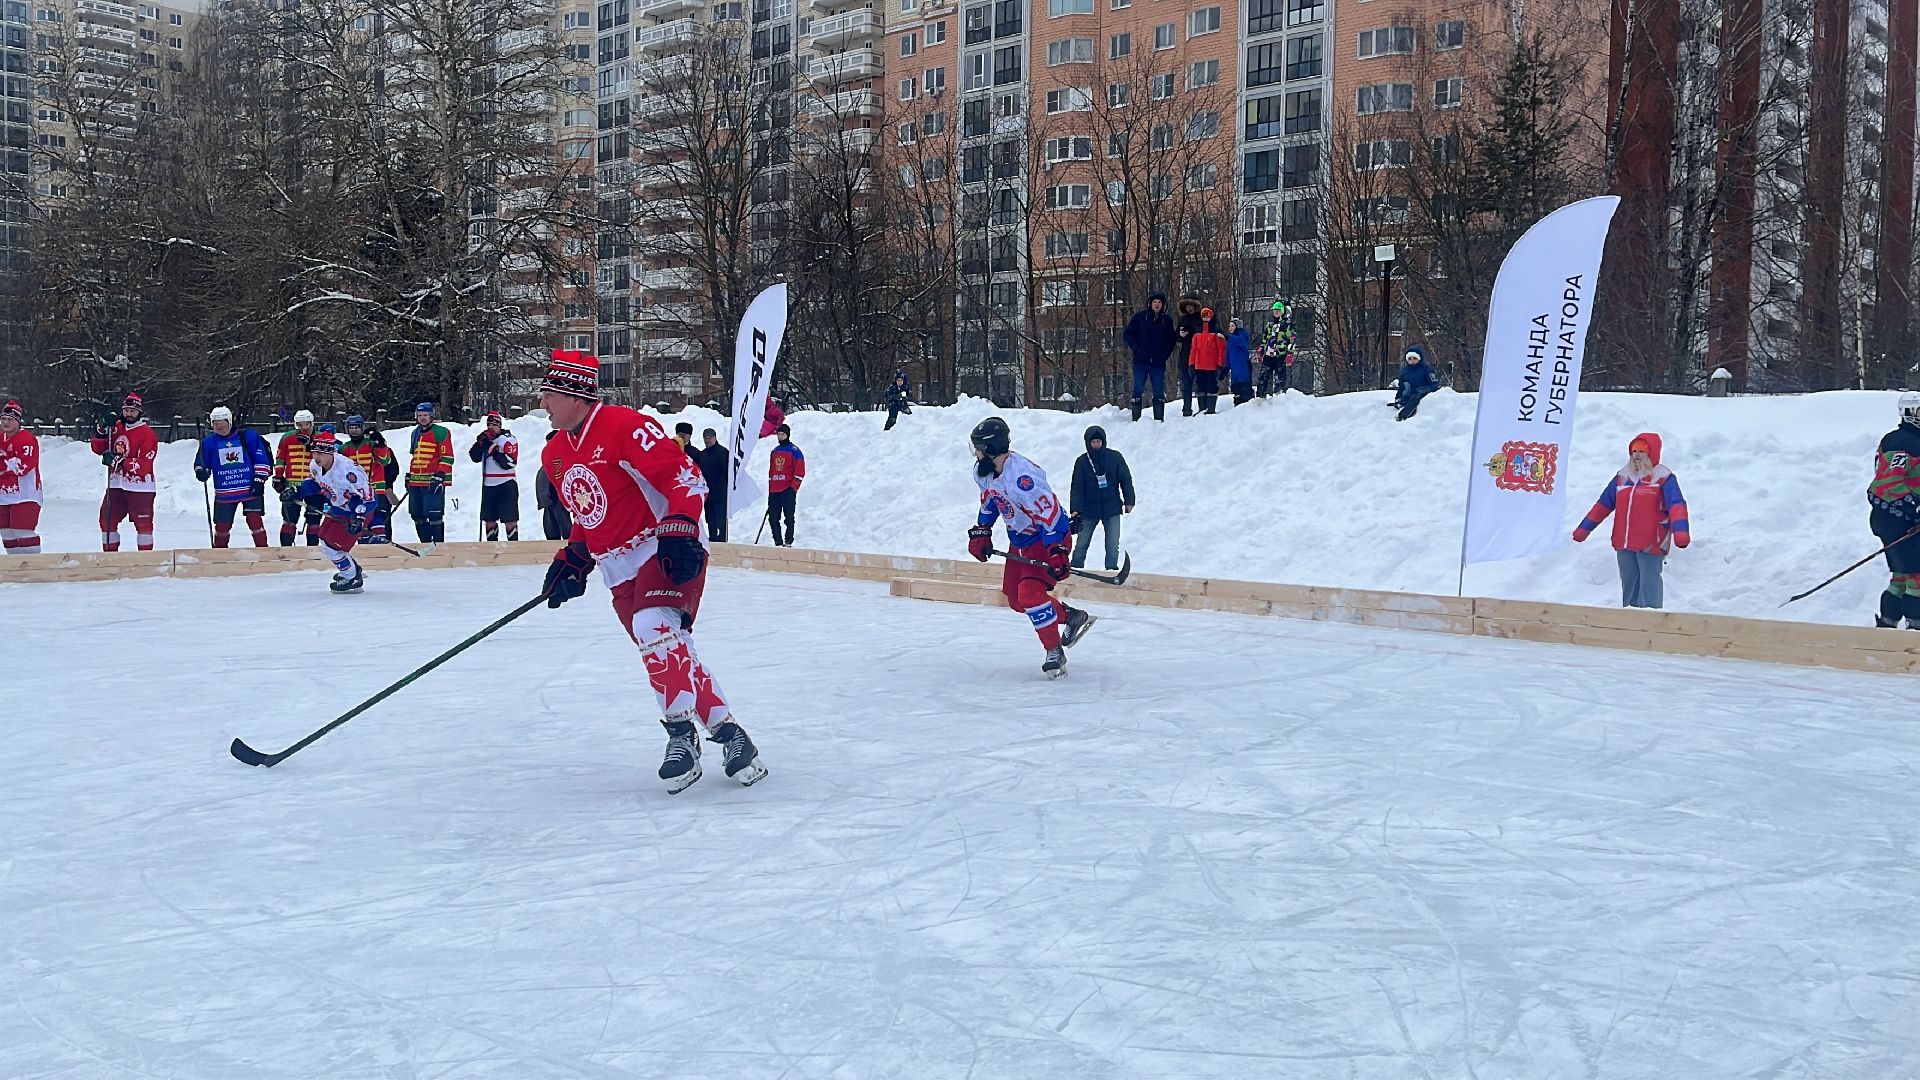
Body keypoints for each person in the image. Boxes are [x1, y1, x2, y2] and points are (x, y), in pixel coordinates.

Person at [536, 349, 767, 793]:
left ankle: (681, 735)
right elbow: (588, 514)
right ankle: (731, 736)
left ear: (575, 396)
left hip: (663, 548)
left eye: (549, 394)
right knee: (667, 649)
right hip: (617, 568)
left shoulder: (627, 427)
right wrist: (575, 559)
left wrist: (680, 527)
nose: (542, 403)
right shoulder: (556, 454)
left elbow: (684, 477)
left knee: (652, 627)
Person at [966, 416, 1096, 678]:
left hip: (1047, 538)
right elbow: (991, 501)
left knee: (1030, 594)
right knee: (1016, 600)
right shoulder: (985, 472)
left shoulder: (1023, 478)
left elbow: (1051, 516)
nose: (976, 454)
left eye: (979, 448)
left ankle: (1054, 651)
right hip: (1021, 540)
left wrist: (1057, 550)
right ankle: (1071, 616)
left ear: (991, 449)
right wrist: (983, 530)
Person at [1572, 432, 1690, 609]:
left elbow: (1676, 506)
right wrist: (1584, 529)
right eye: (1634, 451)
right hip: (1624, 542)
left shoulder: (1663, 478)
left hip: (1651, 541)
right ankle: (1629, 618)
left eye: (1642, 451)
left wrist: (1681, 532)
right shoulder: (1623, 477)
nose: (1637, 455)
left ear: (1652, 453)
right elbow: (1603, 504)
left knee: (1649, 582)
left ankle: (1651, 619)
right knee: (1629, 582)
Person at [296, 429, 378, 593]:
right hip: (338, 508)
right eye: (314, 452)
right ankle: (351, 569)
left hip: (356, 511)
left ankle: (351, 577)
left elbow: (367, 498)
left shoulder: (347, 471)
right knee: (324, 538)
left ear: (330, 452)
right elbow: (315, 483)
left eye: (320, 453)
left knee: (333, 545)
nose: (316, 457)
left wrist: (359, 518)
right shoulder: (316, 465)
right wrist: (297, 491)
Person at [1867, 393, 1920, 627]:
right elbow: (1888, 484)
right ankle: (1916, 626)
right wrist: (1914, 509)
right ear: (1908, 413)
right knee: (1917, 576)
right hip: (1900, 519)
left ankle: (1887, 624)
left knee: (1901, 576)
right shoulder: (1905, 443)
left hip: (1891, 518)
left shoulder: (1904, 439)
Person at [192, 405, 274, 547]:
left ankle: (263, 551)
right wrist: (201, 471)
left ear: (229, 421)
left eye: (222, 423)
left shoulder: (248, 436)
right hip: (225, 493)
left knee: (255, 522)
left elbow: (262, 459)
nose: (219, 427)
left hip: (250, 489)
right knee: (222, 527)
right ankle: (220, 553)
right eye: (216, 424)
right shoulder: (209, 442)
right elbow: (200, 463)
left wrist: (259, 479)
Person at [91, 392, 159, 552]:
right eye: (126, 410)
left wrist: (118, 461)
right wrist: (102, 430)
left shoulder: (147, 433)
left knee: (143, 524)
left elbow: (144, 464)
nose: (129, 414)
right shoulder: (115, 428)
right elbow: (97, 448)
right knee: (107, 520)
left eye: (132, 411)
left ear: (139, 412)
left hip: (140, 486)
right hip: (116, 484)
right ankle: (110, 556)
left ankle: (145, 558)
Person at [1068, 425, 1134, 571]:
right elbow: (1077, 486)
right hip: (1089, 510)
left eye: (1099, 441)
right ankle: (1075, 569)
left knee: (1112, 545)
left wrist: (1129, 500)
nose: (1096, 444)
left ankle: (1111, 570)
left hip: (1112, 508)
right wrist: (1075, 509)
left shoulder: (1115, 457)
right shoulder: (1082, 461)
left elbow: (1125, 479)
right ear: (1088, 443)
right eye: (1093, 442)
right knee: (1082, 543)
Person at [341, 415, 400, 544]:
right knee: (361, 518)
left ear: (362, 428)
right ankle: (364, 546)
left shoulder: (372, 444)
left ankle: (384, 543)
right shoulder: (345, 448)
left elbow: (385, 461)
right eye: (351, 428)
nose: (354, 431)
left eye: (357, 428)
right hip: (357, 491)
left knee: (381, 517)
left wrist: (381, 445)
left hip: (376, 488)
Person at [1123, 292, 1177, 422]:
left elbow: (1171, 341)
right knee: (1138, 389)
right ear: (1150, 304)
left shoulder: (1167, 320)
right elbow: (1128, 334)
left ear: (1163, 305)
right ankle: (1136, 420)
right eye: (1154, 302)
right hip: (1140, 361)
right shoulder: (1140, 317)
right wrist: (1136, 348)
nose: (1156, 304)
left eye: (1159, 302)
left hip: (1158, 363)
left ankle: (1159, 420)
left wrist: (1164, 356)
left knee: (1158, 391)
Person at [406, 401, 454, 544]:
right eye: (420, 415)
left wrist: (440, 474)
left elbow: (447, 457)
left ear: (431, 416)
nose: (422, 418)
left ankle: (438, 546)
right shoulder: (415, 433)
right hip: (416, 481)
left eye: (425, 415)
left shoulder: (441, 432)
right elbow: (415, 455)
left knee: (434, 514)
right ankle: (425, 545)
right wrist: (410, 475)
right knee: (416, 514)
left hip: (432, 481)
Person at [469, 411, 520, 541]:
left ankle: (513, 547)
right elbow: (474, 457)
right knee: (489, 520)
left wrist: (494, 451)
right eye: (489, 425)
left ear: (499, 425)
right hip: (489, 485)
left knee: (510, 520)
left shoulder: (508, 439)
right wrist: (479, 444)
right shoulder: (487, 438)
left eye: (494, 424)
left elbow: (510, 463)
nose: (491, 427)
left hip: (506, 483)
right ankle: (491, 546)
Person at [0, 399, 42, 554]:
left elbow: (22, 465)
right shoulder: (0, 438)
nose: (6, 422)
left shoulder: (26, 439)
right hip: (4, 494)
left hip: (26, 494)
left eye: (10, 419)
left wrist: (3, 465)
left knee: (22, 530)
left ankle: (32, 564)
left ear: (18, 421)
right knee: (6, 532)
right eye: (3, 418)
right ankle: (16, 564)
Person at [273, 409, 321, 545]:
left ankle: (312, 550)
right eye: (300, 425)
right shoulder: (287, 438)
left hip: (314, 485)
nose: (303, 428)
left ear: (312, 423)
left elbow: (327, 458)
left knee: (314, 519)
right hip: (292, 483)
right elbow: (280, 459)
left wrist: (310, 445)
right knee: (289, 519)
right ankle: (286, 550)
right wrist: (278, 477)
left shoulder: (320, 437)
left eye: (306, 424)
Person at [766, 423, 804, 546]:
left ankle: (788, 541)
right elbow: (772, 471)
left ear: (787, 435)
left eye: (783, 434)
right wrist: (771, 488)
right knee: (773, 518)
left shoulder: (794, 451)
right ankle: (778, 541)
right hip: (774, 490)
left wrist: (793, 488)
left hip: (788, 489)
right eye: (779, 434)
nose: (780, 436)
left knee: (789, 517)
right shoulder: (775, 451)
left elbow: (800, 471)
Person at [534, 428, 574, 541]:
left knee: (565, 527)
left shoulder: (564, 457)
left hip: (559, 498)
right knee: (550, 529)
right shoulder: (548, 458)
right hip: (549, 499)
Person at [694, 427, 730, 542]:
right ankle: (712, 539)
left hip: (720, 493)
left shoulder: (723, 453)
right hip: (708, 493)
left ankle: (722, 540)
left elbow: (727, 472)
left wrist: (722, 484)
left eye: (709, 438)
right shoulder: (703, 454)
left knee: (721, 519)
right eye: (705, 438)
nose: (707, 440)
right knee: (710, 519)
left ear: (715, 438)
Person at [1189, 307, 1227, 414]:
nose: (1205, 318)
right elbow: (1193, 349)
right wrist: (1191, 363)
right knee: (1200, 386)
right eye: (1203, 316)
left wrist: (1220, 364)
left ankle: (1210, 409)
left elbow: (1221, 349)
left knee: (1211, 386)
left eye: (1207, 316)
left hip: (1212, 365)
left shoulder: (1216, 332)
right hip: (1199, 365)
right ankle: (1202, 409)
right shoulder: (1197, 332)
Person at [1389, 344, 1441, 421]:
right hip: (1409, 393)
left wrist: (1428, 389)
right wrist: (1398, 398)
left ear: (1420, 358)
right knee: (1404, 400)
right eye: (1410, 358)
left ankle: (1402, 416)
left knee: (1415, 399)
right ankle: (1402, 406)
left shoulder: (1426, 369)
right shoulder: (1405, 372)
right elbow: (1402, 387)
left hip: (1422, 393)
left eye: (1415, 358)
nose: (1412, 360)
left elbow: (1433, 383)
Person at [1174, 295, 1205, 416]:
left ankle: (1202, 407)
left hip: (1198, 353)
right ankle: (1186, 408)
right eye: (1187, 306)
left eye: (1191, 306)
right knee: (1186, 383)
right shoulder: (1182, 319)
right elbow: (1176, 336)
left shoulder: (1201, 318)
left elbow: (1203, 332)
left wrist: (1191, 331)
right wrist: (1180, 335)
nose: (1189, 308)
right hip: (1185, 353)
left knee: (1199, 382)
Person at [1258, 300, 1294, 397]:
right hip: (1269, 353)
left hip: (1280, 354)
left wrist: (1290, 353)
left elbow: (1292, 339)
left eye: (1278, 310)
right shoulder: (1270, 325)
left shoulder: (1287, 324)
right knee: (1263, 375)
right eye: (1275, 310)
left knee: (1280, 377)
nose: (1276, 312)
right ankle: (1260, 396)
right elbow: (1265, 338)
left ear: (1282, 311)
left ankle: (1279, 397)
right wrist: (1261, 349)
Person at [1225, 317, 1254, 405]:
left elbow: (1241, 341)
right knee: (1236, 390)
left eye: (1232, 326)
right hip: (1234, 370)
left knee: (1245, 389)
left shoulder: (1242, 335)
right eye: (1229, 326)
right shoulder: (1230, 340)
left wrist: (1229, 337)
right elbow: (1228, 355)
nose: (1230, 328)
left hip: (1243, 367)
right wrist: (1226, 367)